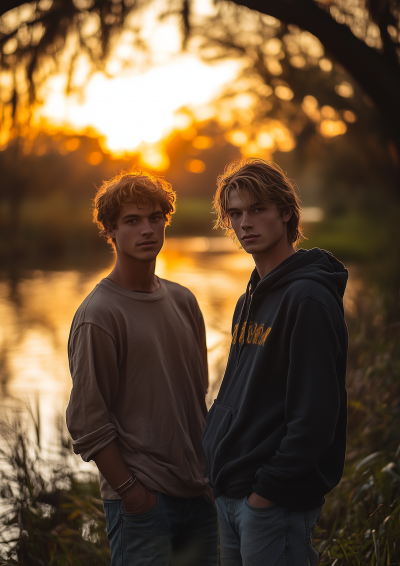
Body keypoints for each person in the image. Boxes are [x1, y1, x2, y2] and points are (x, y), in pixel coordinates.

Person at [66, 170, 217, 566]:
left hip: (199, 497)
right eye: (132, 221)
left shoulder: (184, 301)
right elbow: (87, 421)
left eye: (155, 218)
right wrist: (133, 494)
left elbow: (194, 400)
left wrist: (209, 476)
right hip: (144, 505)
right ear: (111, 231)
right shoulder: (99, 315)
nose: (147, 229)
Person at [201, 158, 348, 566]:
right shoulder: (249, 298)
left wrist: (265, 495)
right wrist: (217, 464)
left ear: (286, 212)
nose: (245, 223)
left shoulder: (308, 299)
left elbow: (316, 417)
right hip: (232, 494)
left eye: (258, 209)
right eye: (235, 213)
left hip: (271, 504)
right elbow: (237, 392)